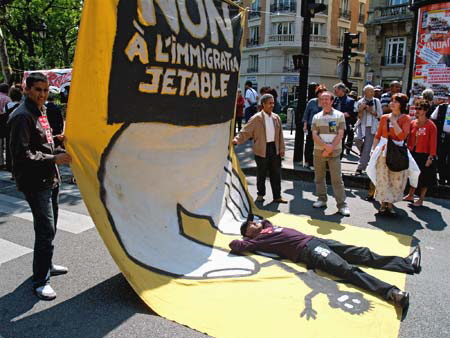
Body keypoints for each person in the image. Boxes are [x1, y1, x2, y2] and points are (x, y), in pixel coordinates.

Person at [230, 218, 421, 315]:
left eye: (253, 222)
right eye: (250, 225)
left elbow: (265, 221)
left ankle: (406, 264)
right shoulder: (257, 241)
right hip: (310, 251)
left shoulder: (267, 228)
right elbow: (236, 246)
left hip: (316, 241)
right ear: (248, 234)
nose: (254, 223)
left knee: (361, 253)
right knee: (348, 270)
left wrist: (260, 224)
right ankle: (393, 294)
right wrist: (246, 238)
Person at [8, 72, 72, 300]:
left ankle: (47, 265)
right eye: (37, 90)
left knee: (50, 227)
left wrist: (56, 140)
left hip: (49, 178)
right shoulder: (22, 116)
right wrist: (53, 159)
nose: (42, 95)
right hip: (35, 182)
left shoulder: (40, 111)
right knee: (45, 230)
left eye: (45, 90)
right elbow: (21, 155)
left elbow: (41, 143)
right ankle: (40, 281)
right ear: (27, 89)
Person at [367, 93, 417, 216]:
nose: (392, 103)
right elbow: (378, 135)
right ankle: (383, 203)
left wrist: (394, 122)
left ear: (401, 104)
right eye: (392, 101)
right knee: (382, 177)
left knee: (396, 178)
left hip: (397, 151)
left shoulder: (406, 118)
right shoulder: (384, 117)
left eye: (396, 101)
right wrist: (373, 150)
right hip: (383, 150)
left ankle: (390, 203)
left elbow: (402, 135)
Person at [233, 93, 287, 204]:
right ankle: (260, 195)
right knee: (261, 174)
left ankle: (277, 196)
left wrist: (282, 148)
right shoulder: (256, 118)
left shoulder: (276, 118)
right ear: (263, 104)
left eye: (273, 103)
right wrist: (237, 140)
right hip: (262, 148)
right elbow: (245, 131)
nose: (272, 105)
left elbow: (280, 135)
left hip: (274, 148)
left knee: (276, 174)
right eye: (269, 103)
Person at [311, 91, 350, 216]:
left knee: (337, 179)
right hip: (318, 151)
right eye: (322, 99)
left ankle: (342, 205)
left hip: (334, 151)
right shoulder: (316, 116)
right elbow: (314, 134)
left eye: (327, 99)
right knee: (319, 177)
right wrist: (325, 146)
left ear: (332, 101)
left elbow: (340, 133)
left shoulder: (339, 116)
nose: (324, 101)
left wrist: (331, 147)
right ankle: (322, 199)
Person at [403, 100, 437, 206]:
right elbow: (408, 138)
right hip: (413, 152)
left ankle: (421, 199)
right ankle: (411, 194)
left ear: (426, 111)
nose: (417, 111)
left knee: (425, 177)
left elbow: (433, 142)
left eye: (420, 109)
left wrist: (431, 157)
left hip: (425, 154)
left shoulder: (431, 125)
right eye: (416, 108)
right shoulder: (413, 123)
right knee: (413, 174)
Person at [354, 85, 382, 175]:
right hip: (361, 125)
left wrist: (371, 111)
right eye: (370, 91)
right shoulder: (360, 102)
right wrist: (361, 110)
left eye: (373, 91)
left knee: (367, 147)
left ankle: (360, 167)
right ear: (365, 92)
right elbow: (358, 116)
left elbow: (380, 115)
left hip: (371, 127)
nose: (373, 93)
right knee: (357, 140)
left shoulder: (376, 101)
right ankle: (365, 156)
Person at [302, 85, 327, 169]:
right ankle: (307, 161)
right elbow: (306, 114)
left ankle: (314, 162)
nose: (322, 94)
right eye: (320, 92)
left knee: (318, 145)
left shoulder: (326, 102)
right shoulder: (312, 102)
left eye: (324, 93)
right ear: (317, 94)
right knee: (309, 144)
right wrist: (305, 125)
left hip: (321, 127)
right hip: (311, 125)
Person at [332, 83, 356, 157]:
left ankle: (338, 159)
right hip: (332, 124)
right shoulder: (334, 100)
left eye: (336, 90)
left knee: (340, 142)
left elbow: (353, 113)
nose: (334, 92)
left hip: (343, 124)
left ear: (341, 90)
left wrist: (343, 115)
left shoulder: (351, 101)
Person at [430, 101, 450, 185]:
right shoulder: (442, 107)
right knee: (441, 156)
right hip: (443, 136)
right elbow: (433, 118)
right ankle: (442, 178)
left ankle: (449, 179)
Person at [3, 87, 22, 173]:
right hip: (19, 129)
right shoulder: (22, 105)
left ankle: (9, 165)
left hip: (8, 129)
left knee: (8, 147)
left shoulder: (7, 105)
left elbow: (4, 113)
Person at [0, 82, 12, 169]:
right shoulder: (8, 99)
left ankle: (0, 162)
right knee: (7, 142)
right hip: (5, 122)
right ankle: (7, 163)